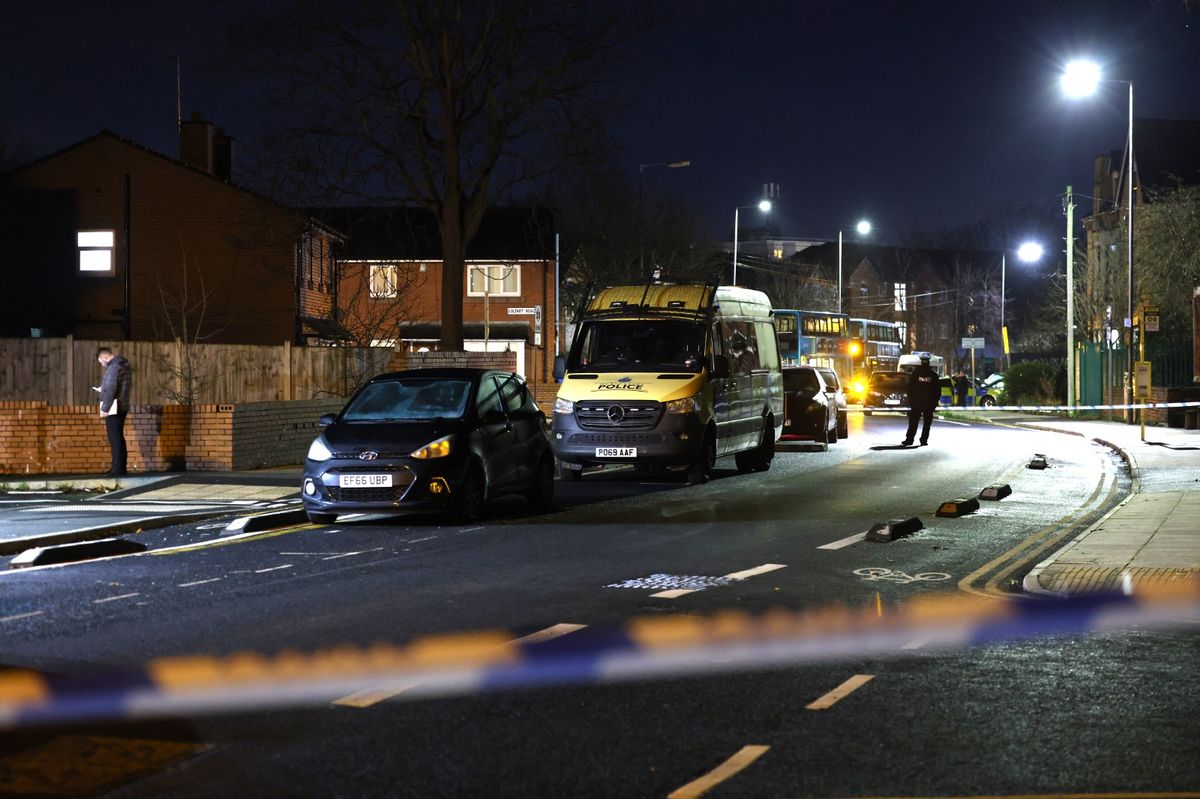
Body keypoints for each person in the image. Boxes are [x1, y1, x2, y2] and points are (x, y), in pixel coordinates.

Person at [96, 347, 132, 476]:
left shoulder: (114, 367)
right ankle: (120, 467)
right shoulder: (124, 364)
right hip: (122, 405)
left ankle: (117, 469)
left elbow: (111, 388)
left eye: (101, 362)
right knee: (118, 437)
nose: (102, 365)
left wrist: (105, 408)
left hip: (114, 407)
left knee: (114, 438)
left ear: (105, 357)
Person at [902, 353, 940, 446]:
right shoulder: (933, 375)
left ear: (921, 362)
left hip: (916, 403)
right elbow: (937, 391)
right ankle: (924, 440)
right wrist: (935, 403)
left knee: (913, 423)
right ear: (929, 362)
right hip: (929, 404)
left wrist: (911, 400)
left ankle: (909, 439)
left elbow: (909, 388)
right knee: (927, 424)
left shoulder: (915, 374)